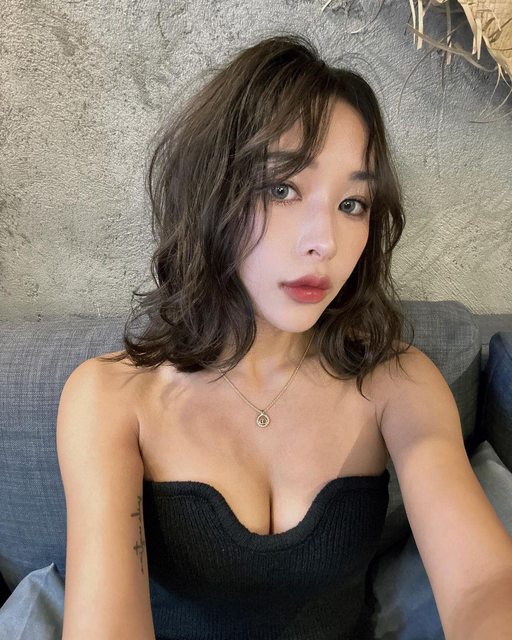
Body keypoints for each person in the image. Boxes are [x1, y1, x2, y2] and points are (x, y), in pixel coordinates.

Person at [56, 33, 512, 640]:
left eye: (353, 203)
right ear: (211, 191)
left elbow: (483, 584)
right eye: (282, 188)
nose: (324, 241)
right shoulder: (110, 398)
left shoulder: (398, 383)